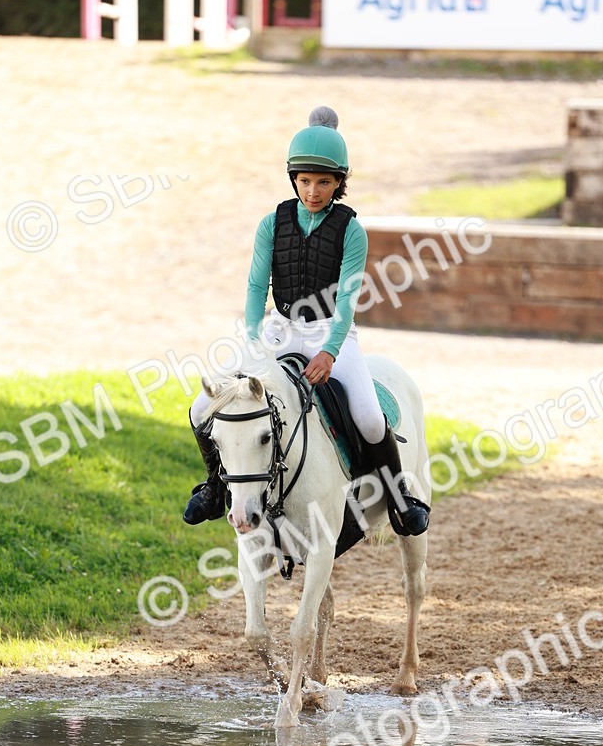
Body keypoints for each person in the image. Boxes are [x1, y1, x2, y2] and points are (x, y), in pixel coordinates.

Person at [183, 106, 430, 536]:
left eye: (324, 182)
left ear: (339, 183)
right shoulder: (270, 225)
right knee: (202, 406)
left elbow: (348, 299)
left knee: (370, 418)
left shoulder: (352, 231)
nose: (313, 191)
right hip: (278, 330)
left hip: (331, 330)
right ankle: (214, 487)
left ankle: (398, 498)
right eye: (305, 181)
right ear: (293, 178)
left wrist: (331, 352)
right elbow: (257, 287)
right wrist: (255, 341)